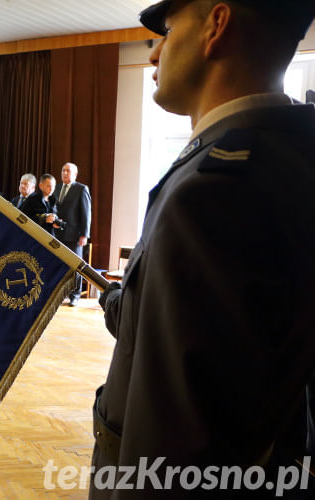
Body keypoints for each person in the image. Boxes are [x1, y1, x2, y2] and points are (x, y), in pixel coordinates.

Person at [92, 1, 315, 498]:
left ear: (216, 25)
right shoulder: (288, 157)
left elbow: (176, 439)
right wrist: (127, 303)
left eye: (166, 32)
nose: (154, 55)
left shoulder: (211, 192)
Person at [52, 162, 91, 306]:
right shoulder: (56, 188)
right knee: (59, 264)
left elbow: (86, 213)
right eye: (63, 170)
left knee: (75, 265)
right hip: (57, 233)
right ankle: (61, 293)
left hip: (74, 235)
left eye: (68, 171)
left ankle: (75, 295)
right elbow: (54, 207)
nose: (65, 173)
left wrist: (84, 235)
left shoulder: (81, 189)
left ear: (75, 174)